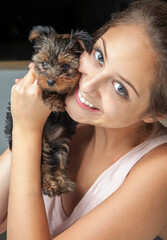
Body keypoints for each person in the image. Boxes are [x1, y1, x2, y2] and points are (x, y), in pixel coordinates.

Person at [0, 0, 167, 239]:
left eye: (120, 88)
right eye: (99, 56)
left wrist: (27, 130)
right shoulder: (73, 116)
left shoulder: (160, 171)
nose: (87, 86)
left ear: (153, 113)